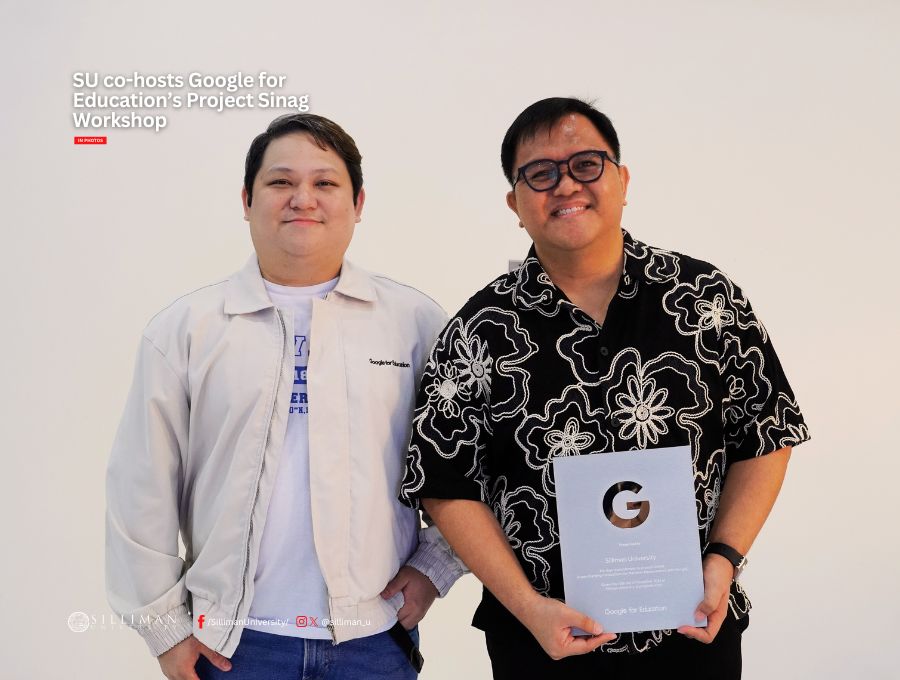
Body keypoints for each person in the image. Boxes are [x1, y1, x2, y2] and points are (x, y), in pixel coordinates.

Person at [399, 97, 809, 679]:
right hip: (541, 640)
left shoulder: (704, 298)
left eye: (586, 164)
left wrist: (723, 560)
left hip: (695, 626)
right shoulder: (480, 329)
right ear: (515, 204)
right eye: (540, 174)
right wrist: (529, 607)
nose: (566, 184)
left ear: (622, 179)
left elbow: (766, 434)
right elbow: (446, 484)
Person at [106, 113, 465, 680]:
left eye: (325, 183)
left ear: (358, 202)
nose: (303, 198)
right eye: (281, 182)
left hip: (373, 641)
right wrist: (165, 631)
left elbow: (471, 461)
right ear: (247, 200)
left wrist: (436, 565)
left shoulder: (416, 324)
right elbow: (140, 487)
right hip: (234, 646)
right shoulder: (187, 330)